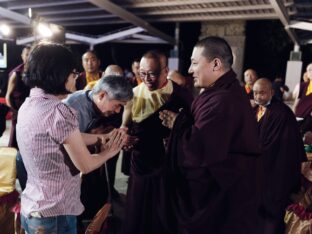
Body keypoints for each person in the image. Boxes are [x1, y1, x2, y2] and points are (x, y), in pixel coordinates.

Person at [17, 42, 126, 233]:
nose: (76, 78)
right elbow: (85, 165)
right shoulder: (60, 111)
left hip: (33, 207)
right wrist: (111, 151)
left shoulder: (29, 104)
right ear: (59, 73)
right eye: (73, 73)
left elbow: (66, 137)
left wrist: (101, 138)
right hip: (55, 213)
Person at [159, 36, 261, 234]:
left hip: (221, 199)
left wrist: (178, 126)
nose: (189, 69)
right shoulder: (220, 93)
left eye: (195, 63)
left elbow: (200, 150)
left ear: (216, 64)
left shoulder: (223, 101)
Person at [121, 50, 193, 234]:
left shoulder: (181, 96)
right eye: (142, 73)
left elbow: (194, 131)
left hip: (167, 166)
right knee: (137, 213)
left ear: (165, 71)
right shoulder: (134, 94)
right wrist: (125, 139)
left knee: (163, 215)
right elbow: (125, 128)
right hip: (140, 164)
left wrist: (178, 129)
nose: (146, 78)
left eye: (152, 73)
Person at [63, 75, 133, 228]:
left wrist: (107, 138)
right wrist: (108, 149)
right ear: (102, 95)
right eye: (117, 105)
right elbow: (75, 150)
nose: (117, 111)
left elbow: (86, 137)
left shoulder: (95, 105)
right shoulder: (73, 108)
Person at [253, 78, 306, 234]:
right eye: (255, 93)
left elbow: (273, 146)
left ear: (272, 92)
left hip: (276, 171)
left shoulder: (281, 113)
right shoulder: (257, 109)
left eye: (262, 93)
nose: (258, 97)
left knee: (273, 213)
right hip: (260, 170)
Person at [5, 46, 31, 148]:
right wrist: (14, 111)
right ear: (22, 56)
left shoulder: (34, 72)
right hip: (18, 109)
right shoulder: (16, 73)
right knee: (16, 134)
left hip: (30, 108)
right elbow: (8, 96)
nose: (29, 57)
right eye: (27, 54)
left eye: (31, 54)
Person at [294, 63, 312, 134]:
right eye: (310, 70)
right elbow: (296, 105)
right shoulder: (302, 86)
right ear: (307, 74)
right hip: (299, 119)